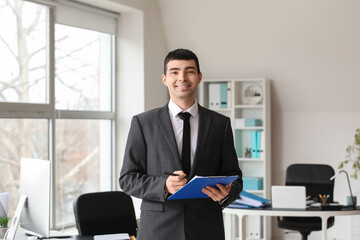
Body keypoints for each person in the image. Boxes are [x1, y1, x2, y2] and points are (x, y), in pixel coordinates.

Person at [119, 48, 242, 240]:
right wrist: (164, 185)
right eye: (174, 72)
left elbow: (235, 177)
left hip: (206, 227)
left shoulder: (220, 124)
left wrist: (227, 193)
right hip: (158, 229)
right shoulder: (143, 123)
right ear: (164, 79)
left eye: (190, 71)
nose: (182, 78)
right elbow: (127, 179)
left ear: (199, 77)